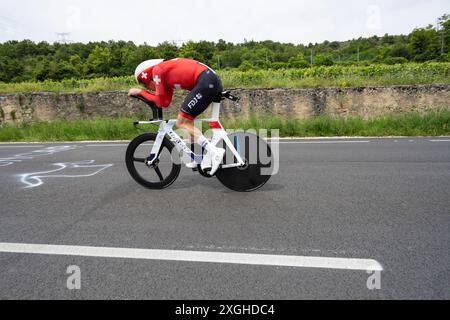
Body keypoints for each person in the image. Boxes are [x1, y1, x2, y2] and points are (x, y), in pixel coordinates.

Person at [128, 58, 226, 176]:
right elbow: (163, 103)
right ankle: (199, 158)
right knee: (187, 121)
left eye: (143, 83)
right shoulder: (165, 76)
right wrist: (143, 93)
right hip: (209, 80)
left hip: (206, 81)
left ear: (145, 75)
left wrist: (139, 92)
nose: (146, 88)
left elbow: (159, 100)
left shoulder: (157, 70)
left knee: (181, 123)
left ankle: (214, 152)